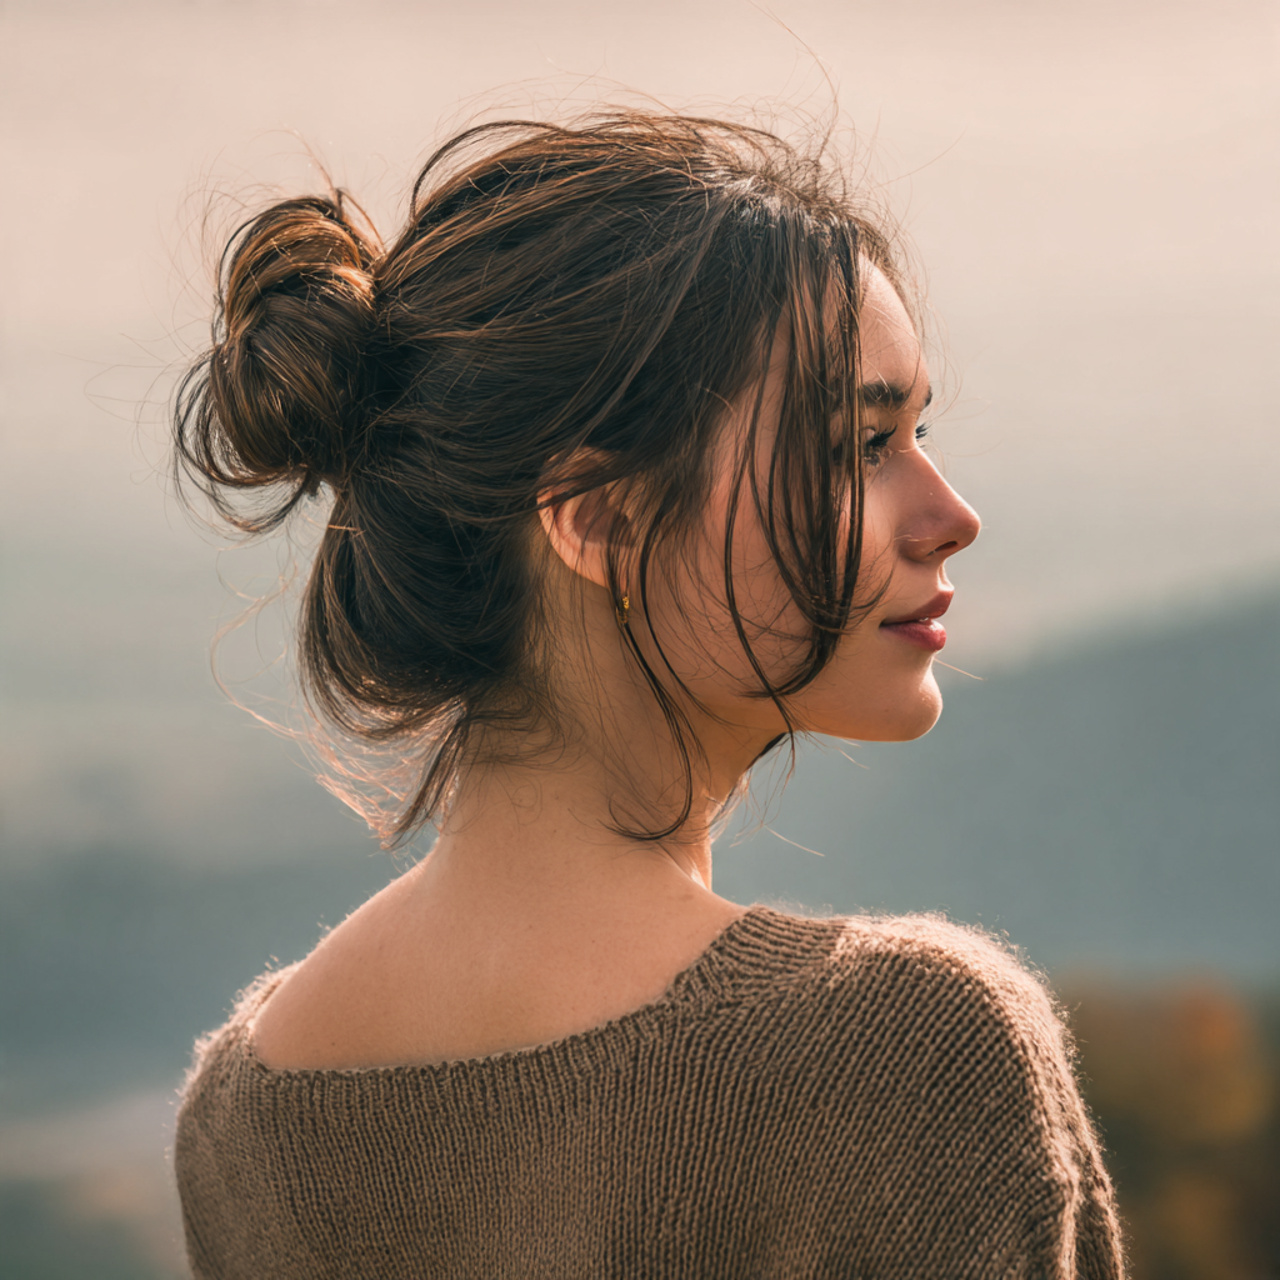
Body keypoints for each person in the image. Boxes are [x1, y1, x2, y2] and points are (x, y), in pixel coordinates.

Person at [172, 111, 1126, 1278]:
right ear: (603, 519)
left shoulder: (242, 1114)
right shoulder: (904, 1054)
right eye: (858, 445)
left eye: (916, 432)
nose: (948, 512)